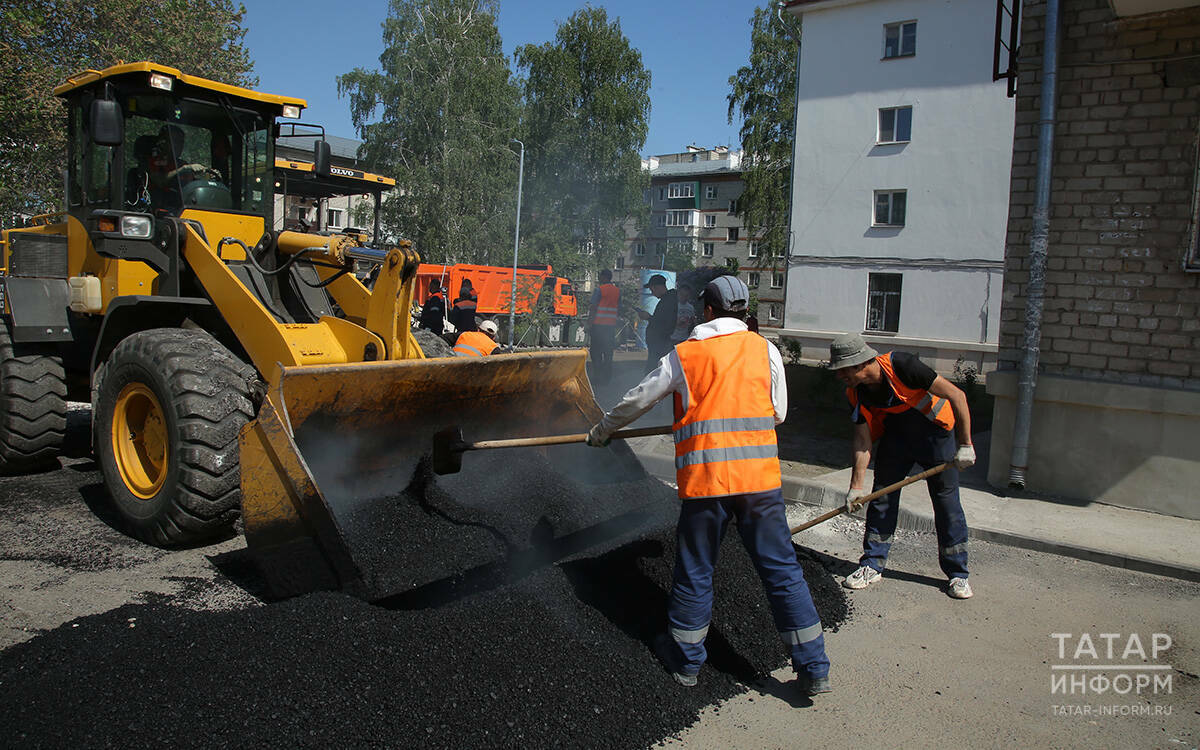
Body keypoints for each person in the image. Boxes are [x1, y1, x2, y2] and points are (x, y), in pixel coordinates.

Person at [586, 276, 832, 696]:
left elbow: (640, 397)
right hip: (760, 484)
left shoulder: (687, 355)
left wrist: (604, 428)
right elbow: (778, 413)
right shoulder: (765, 350)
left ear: (708, 311)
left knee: (697, 570)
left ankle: (686, 664)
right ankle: (813, 668)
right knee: (782, 570)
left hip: (708, 483)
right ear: (742, 311)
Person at [828, 333, 976, 599]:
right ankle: (872, 564)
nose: (840, 376)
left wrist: (965, 445)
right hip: (897, 437)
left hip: (935, 434)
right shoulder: (855, 392)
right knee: (882, 497)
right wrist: (856, 487)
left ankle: (958, 574)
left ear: (860, 363)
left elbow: (957, 395)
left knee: (946, 502)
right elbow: (862, 441)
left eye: (842, 370)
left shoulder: (903, 365)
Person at [637, 274, 677, 371]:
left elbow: (664, 323)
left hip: (661, 345)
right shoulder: (667, 299)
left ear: (658, 287)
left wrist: (649, 317)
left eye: (652, 289)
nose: (652, 293)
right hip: (659, 344)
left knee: (653, 371)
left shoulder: (669, 300)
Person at [588, 270, 620, 383]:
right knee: (608, 353)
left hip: (598, 326)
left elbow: (593, 308)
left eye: (599, 276)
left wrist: (589, 324)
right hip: (610, 327)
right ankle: (607, 378)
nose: (598, 278)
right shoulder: (617, 291)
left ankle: (598, 377)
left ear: (604, 277)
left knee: (596, 353)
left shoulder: (599, 290)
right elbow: (618, 308)